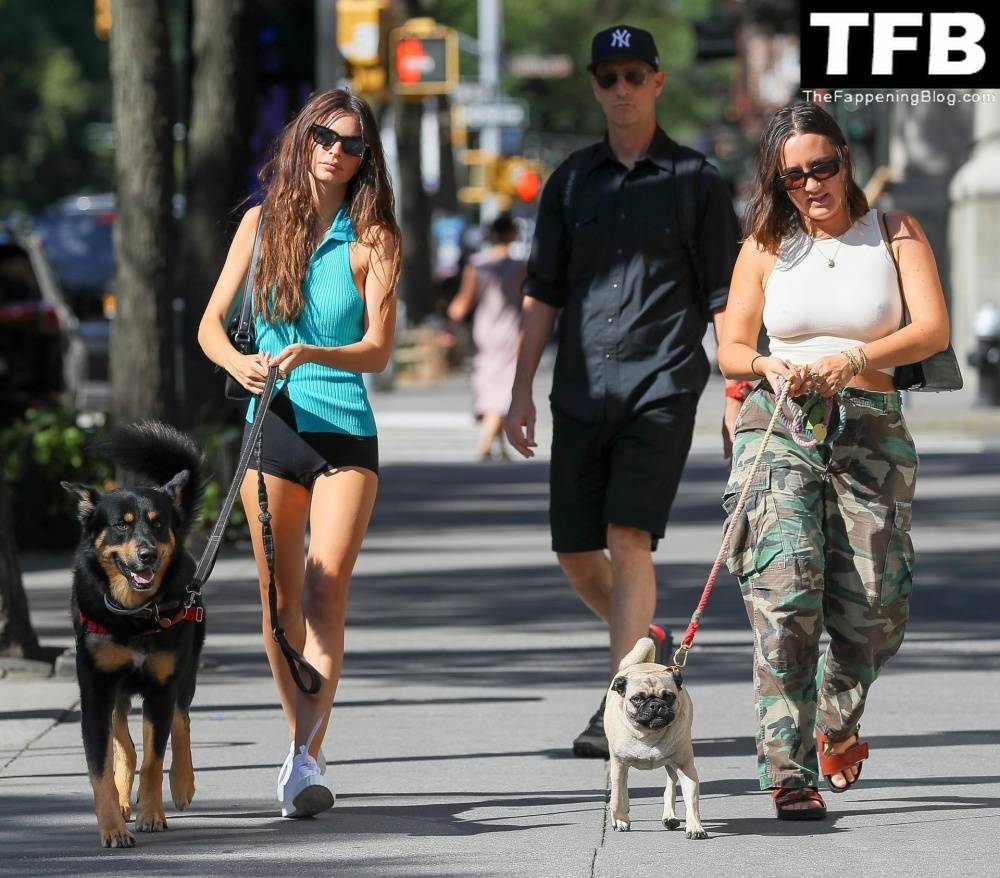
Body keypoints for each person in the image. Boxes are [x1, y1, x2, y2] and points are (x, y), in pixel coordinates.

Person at [504, 24, 742, 758]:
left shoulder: (697, 180)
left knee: (626, 537)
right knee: (576, 550)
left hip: (661, 386)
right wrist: (518, 392)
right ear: (595, 85)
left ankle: (621, 706)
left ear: (658, 81)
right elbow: (541, 293)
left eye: (634, 75)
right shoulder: (570, 180)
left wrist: (739, 391)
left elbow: (724, 296)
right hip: (580, 390)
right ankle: (647, 644)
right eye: (607, 78)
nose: (621, 89)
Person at [717, 102, 950, 820]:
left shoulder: (896, 232)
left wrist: (853, 359)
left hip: (872, 428)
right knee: (786, 594)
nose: (812, 184)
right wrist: (768, 364)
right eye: (793, 176)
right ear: (777, 182)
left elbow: (931, 328)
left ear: (846, 159)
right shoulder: (764, 242)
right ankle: (787, 771)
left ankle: (836, 720)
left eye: (823, 166)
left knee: (877, 609)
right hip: (779, 423)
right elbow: (729, 346)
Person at [197, 89, 399, 818]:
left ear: (363, 161)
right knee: (276, 600)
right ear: (302, 139)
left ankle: (308, 755)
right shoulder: (259, 224)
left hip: (344, 433)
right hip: (270, 427)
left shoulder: (372, 236)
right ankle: (298, 748)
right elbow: (210, 326)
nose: (334, 152)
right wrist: (236, 365)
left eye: (351, 145)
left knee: (325, 587)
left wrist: (313, 350)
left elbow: (378, 350)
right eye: (323, 136)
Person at [447, 213, 526, 460]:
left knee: (490, 381)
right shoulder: (520, 266)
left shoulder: (477, 264)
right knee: (503, 387)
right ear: (513, 234)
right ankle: (485, 443)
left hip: (484, 330)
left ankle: (498, 446)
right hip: (511, 330)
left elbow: (462, 303)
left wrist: (450, 320)